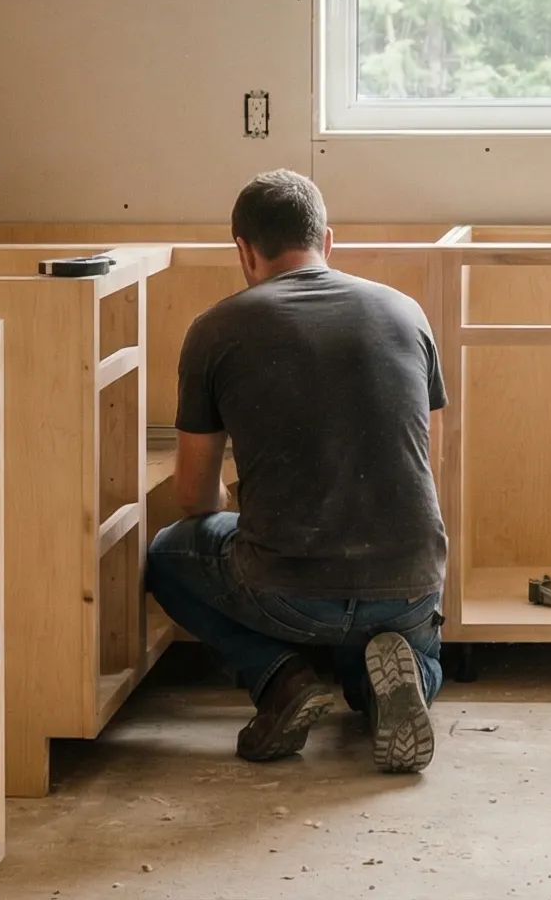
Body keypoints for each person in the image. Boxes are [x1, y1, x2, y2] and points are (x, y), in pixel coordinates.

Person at [143, 170, 448, 772]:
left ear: (244, 250)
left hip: (291, 594)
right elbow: (417, 458)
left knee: (166, 555)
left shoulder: (216, 329)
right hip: (409, 582)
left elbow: (194, 499)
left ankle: (281, 679)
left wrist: (246, 502)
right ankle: (393, 680)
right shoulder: (405, 311)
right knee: (396, 646)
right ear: (327, 240)